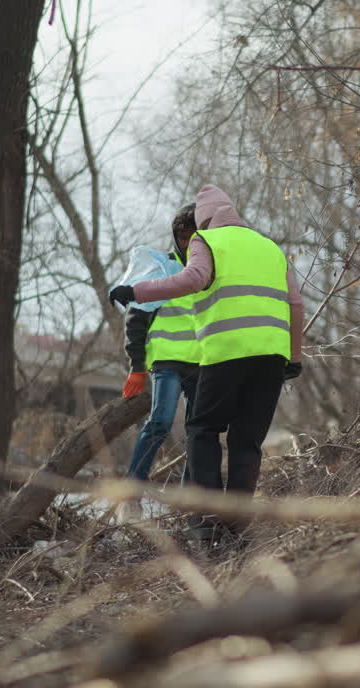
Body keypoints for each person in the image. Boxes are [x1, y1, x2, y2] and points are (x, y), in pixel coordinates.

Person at [109, 185, 304, 543]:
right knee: (247, 441)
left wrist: (136, 292)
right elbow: (295, 304)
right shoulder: (269, 246)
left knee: (202, 429)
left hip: (225, 352)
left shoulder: (207, 240)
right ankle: (237, 526)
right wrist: (293, 357)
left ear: (204, 220)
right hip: (271, 356)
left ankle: (207, 524)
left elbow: (193, 278)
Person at [114, 204, 201, 520]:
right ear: (176, 238)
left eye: (194, 237)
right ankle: (131, 496)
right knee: (160, 422)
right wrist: (136, 366)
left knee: (199, 430)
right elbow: (136, 318)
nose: (188, 244)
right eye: (183, 237)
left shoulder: (210, 271)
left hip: (203, 361)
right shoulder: (162, 268)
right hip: (166, 361)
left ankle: (191, 502)